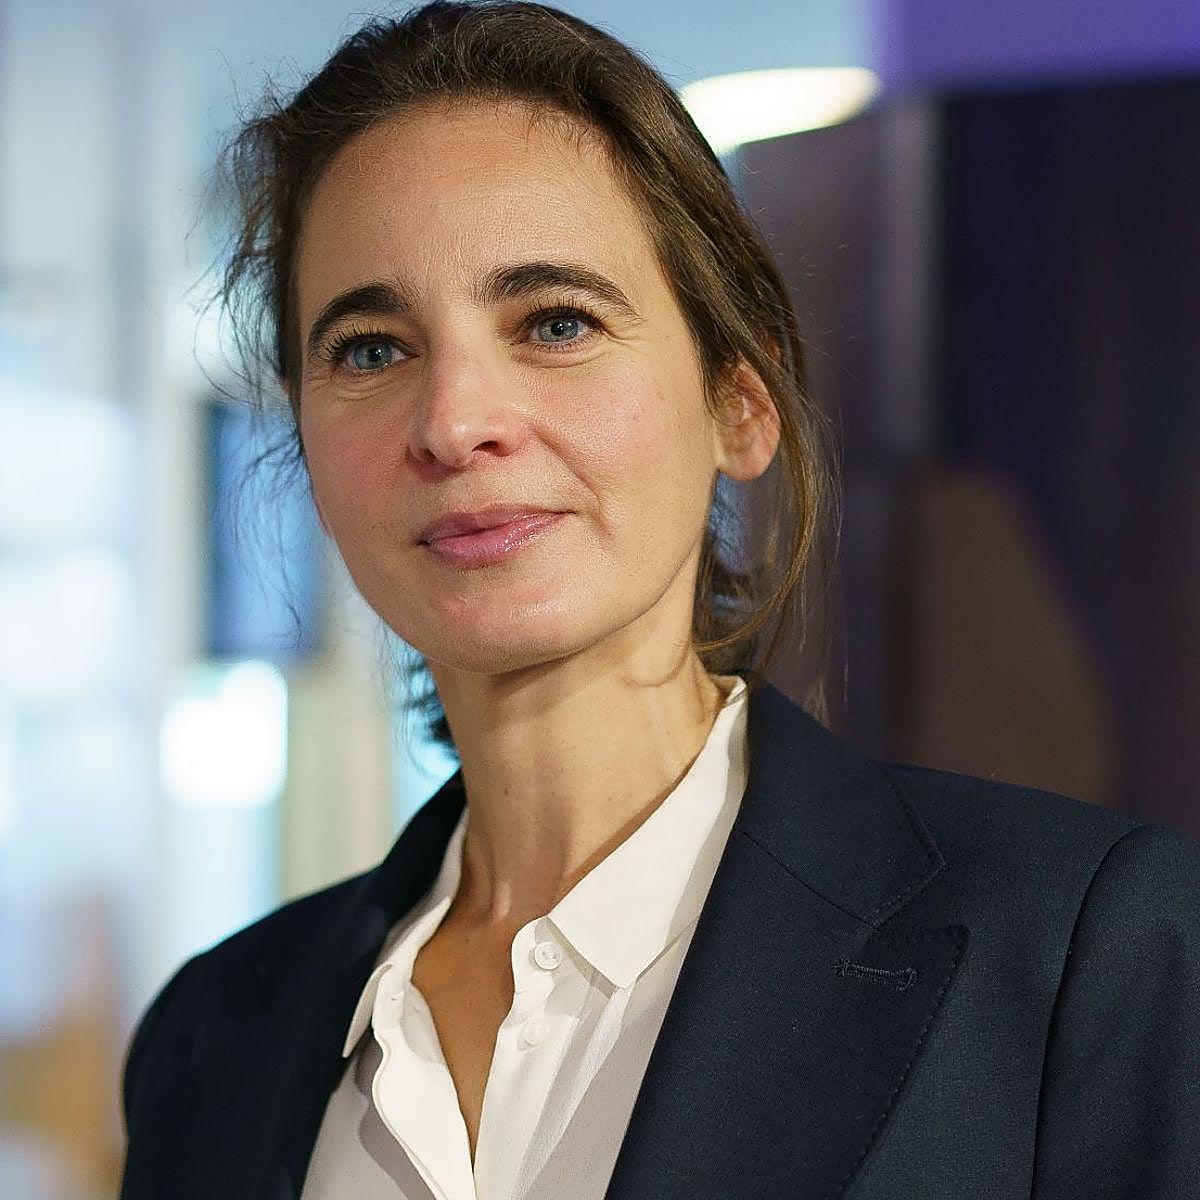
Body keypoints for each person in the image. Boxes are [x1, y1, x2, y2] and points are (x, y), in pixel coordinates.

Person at [118, 3, 1200, 1198]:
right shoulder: (210, 1044)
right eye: (372, 348)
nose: (455, 421)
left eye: (556, 322)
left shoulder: (1081, 957)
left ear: (741, 402)